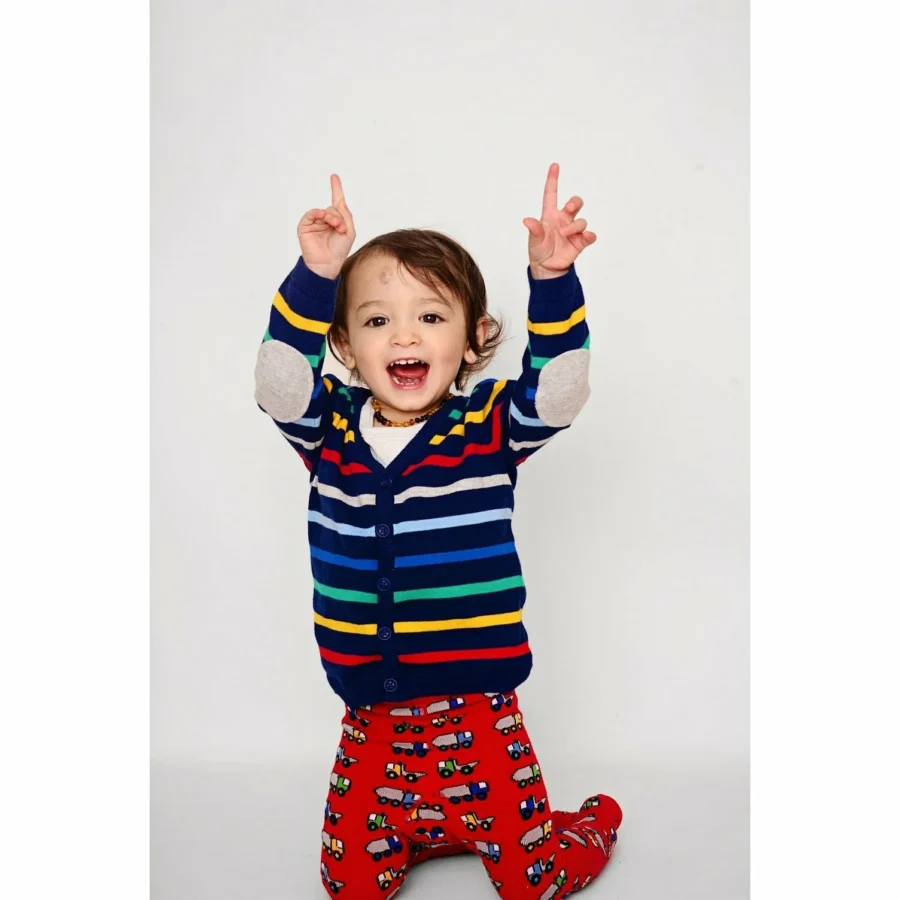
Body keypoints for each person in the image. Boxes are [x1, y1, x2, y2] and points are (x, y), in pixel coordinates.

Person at [255, 164, 622, 898]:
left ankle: (572, 830)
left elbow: (559, 389)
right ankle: (437, 825)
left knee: (531, 883)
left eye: (430, 316)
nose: (403, 335)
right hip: (371, 719)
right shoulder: (329, 429)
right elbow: (278, 382)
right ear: (344, 343)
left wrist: (552, 279)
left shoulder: (487, 425)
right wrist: (316, 274)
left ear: (473, 337)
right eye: (376, 321)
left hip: (480, 717)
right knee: (349, 886)